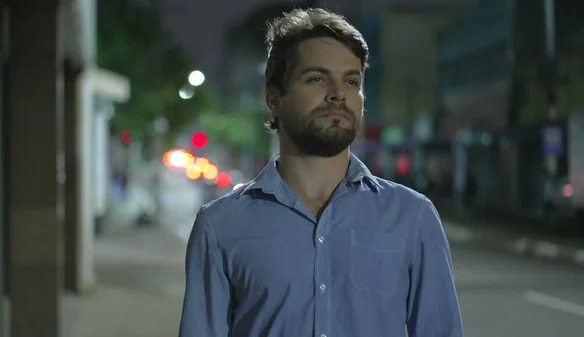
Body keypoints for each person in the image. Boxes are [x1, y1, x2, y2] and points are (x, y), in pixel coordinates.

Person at [179, 8, 463, 337]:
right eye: (317, 78)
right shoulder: (220, 225)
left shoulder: (413, 216)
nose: (338, 93)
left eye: (352, 81)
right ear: (274, 100)